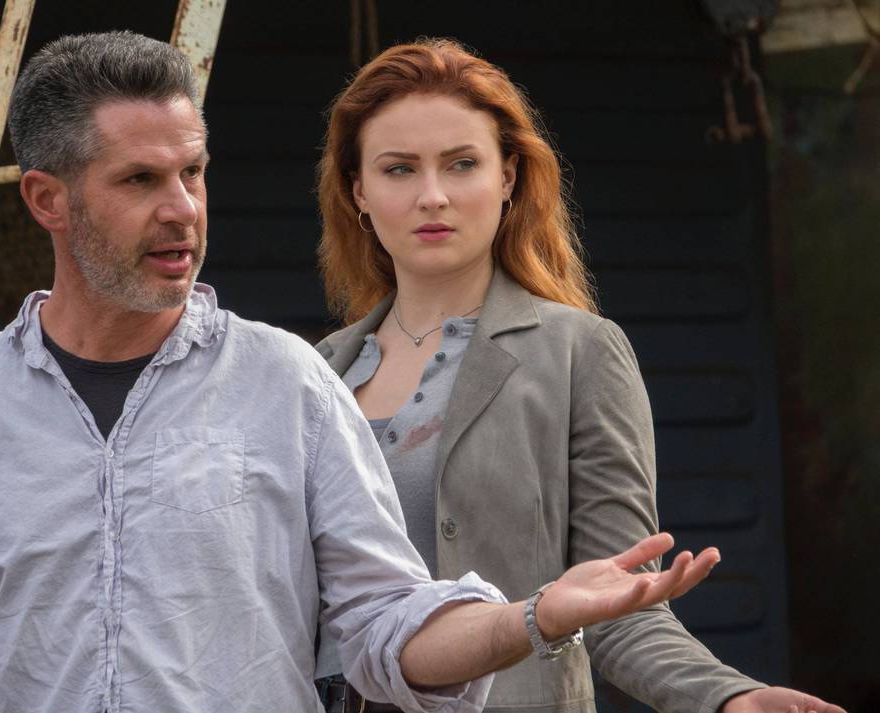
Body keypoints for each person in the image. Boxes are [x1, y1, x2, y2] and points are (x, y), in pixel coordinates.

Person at [0, 31, 721, 713]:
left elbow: (385, 619)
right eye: (141, 179)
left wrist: (535, 615)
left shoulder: (289, 380)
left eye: (193, 172)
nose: (183, 209)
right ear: (47, 200)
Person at [313, 39, 846, 713]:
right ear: (358, 190)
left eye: (462, 163)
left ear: (509, 176)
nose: (433, 195)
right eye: (399, 169)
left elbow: (622, 607)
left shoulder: (580, 353)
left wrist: (726, 697)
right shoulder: (318, 371)